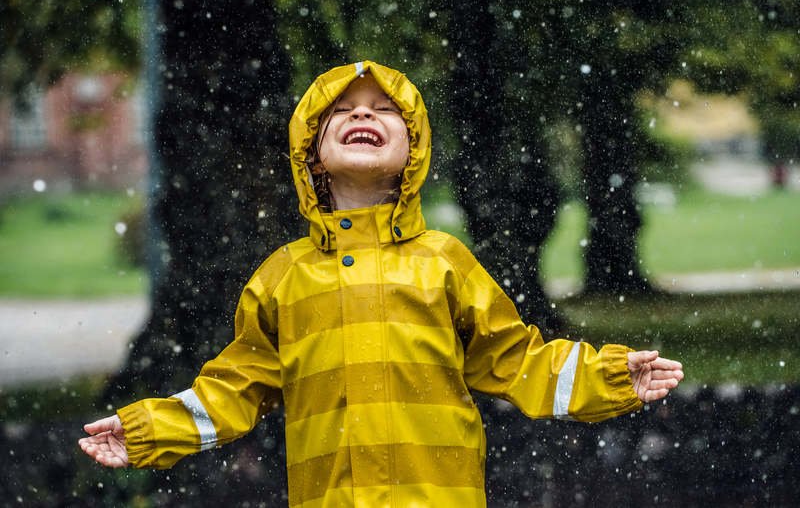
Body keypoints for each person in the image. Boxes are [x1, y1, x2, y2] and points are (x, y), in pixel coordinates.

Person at [79, 61, 684, 507]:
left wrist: (609, 378)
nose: (363, 114)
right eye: (342, 110)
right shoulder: (282, 278)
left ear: (413, 148)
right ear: (311, 152)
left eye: (383, 109)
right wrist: (145, 432)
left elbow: (518, 360)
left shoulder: (445, 262)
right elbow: (230, 391)